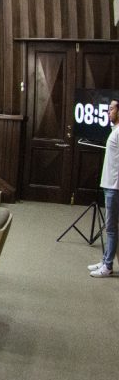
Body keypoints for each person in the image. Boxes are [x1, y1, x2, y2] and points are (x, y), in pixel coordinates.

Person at [90, 99, 119, 278]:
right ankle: (105, 259)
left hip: (114, 187)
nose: (108, 112)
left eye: (111, 109)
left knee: (110, 228)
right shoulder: (114, 131)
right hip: (109, 185)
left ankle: (108, 265)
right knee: (110, 227)